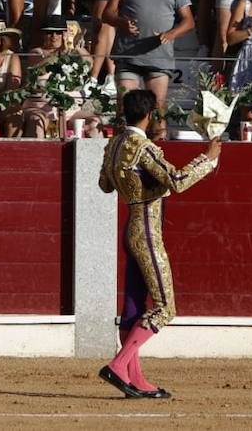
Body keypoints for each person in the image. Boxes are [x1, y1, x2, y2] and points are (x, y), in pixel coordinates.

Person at [98, 87, 220, 400]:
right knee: (165, 307)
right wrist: (207, 160)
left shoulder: (114, 145)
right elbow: (177, 181)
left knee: (134, 306)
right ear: (150, 115)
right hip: (147, 232)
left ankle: (134, 380)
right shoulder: (144, 148)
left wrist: (136, 183)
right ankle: (118, 365)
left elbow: (105, 185)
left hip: (129, 228)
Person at [104, 0, 193, 109]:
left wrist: (171, 33)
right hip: (128, 55)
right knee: (124, 109)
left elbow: (189, 21)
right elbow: (107, 14)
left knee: (158, 110)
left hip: (160, 57)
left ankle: (158, 137)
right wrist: (121, 22)